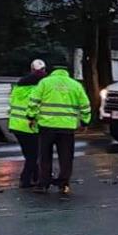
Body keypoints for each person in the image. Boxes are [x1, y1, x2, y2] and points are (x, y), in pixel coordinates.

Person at [27, 65, 91, 195]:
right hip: (67, 128)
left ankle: (43, 184)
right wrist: (85, 121)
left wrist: (31, 116)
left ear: (52, 71)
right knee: (66, 157)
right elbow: (85, 105)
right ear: (67, 72)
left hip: (47, 126)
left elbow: (33, 101)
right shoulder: (75, 85)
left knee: (45, 156)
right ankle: (64, 184)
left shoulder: (45, 83)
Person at [8, 59, 46, 188]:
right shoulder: (37, 89)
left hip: (16, 125)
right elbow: (36, 108)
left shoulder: (18, 87)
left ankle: (35, 177)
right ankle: (25, 180)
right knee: (33, 155)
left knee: (29, 154)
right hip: (29, 126)